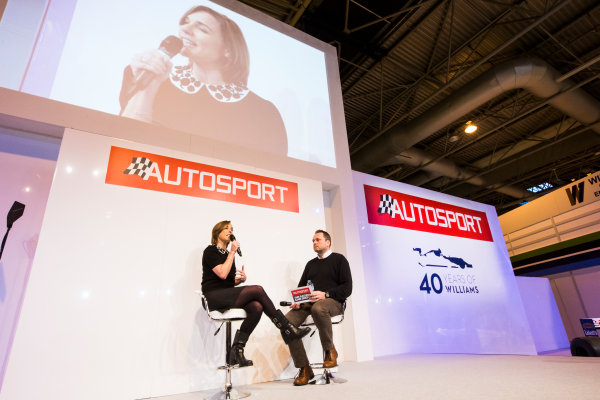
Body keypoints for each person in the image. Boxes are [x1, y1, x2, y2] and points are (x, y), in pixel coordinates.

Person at [119, 5, 287, 155]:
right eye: (185, 22)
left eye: (202, 29)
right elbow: (125, 145)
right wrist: (148, 89)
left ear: (227, 50)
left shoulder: (263, 112)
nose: (185, 29)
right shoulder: (148, 75)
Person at [201, 220, 309, 367]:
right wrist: (232, 252)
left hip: (225, 293)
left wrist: (239, 281)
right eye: (226, 228)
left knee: (256, 307)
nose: (230, 231)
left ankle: (237, 350)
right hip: (213, 296)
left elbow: (227, 281)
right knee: (257, 289)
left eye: (232, 229)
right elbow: (221, 274)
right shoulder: (210, 251)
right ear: (217, 232)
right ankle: (287, 328)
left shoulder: (227, 254)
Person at [285, 229, 352, 386]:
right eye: (313, 240)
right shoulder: (311, 264)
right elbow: (302, 287)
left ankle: (329, 351)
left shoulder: (339, 260)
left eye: (318, 240)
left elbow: (347, 288)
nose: (314, 242)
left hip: (333, 302)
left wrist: (326, 294)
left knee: (319, 308)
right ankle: (304, 368)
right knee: (286, 322)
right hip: (310, 302)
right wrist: (298, 301)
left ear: (327, 242)